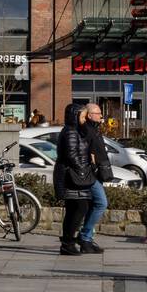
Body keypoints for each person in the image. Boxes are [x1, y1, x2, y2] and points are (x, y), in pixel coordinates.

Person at [52, 103, 94, 256]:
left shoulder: (76, 130)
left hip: (73, 174)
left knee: (73, 210)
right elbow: (71, 155)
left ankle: (68, 242)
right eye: (82, 116)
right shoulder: (70, 131)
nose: (85, 119)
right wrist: (83, 169)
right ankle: (68, 242)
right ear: (75, 116)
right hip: (71, 176)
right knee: (80, 207)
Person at [76, 102, 113, 254]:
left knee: (93, 205)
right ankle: (84, 236)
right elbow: (87, 152)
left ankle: (88, 240)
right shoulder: (87, 130)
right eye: (98, 113)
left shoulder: (94, 129)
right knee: (101, 203)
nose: (101, 116)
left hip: (97, 173)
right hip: (90, 174)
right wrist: (93, 166)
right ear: (90, 115)